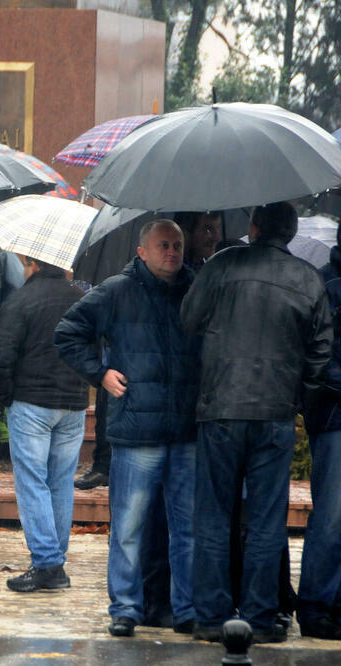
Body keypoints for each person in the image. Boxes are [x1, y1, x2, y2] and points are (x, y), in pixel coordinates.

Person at [181, 202, 332, 643]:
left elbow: (188, 320)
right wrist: (298, 392)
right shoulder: (307, 277)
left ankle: (211, 616)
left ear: (253, 227)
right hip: (275, 415)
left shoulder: (222, 265)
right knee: (267, 520)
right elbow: (321, 350)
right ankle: (262, 617)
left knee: (212, 515)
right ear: (290, 232)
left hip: (221, 408)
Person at [55, 220, 200, 638]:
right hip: (137, 430)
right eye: (162, 245)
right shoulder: (117, 290)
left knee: (186, 528)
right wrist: (99, 374)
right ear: (142, 251)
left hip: (186, 428)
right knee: (130, 527)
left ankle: (185, 608)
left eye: (176, 244)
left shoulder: (195, 289)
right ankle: (125, 607)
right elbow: (67, 333)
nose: (171, 251)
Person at [0, 255, 88, 593]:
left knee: (32, 481)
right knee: (61, 482)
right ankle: (54, 559)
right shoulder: (80, 298)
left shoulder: (19, 300)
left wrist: (6, 398)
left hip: (31, 401)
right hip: (73, 402)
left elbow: (1, 355)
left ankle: (47, 562)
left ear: (31, 261)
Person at [297, 222, 341, 640]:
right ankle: (314, 605)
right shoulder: (324, 287)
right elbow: (315, 356)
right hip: (334, 417)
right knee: (331, 515)